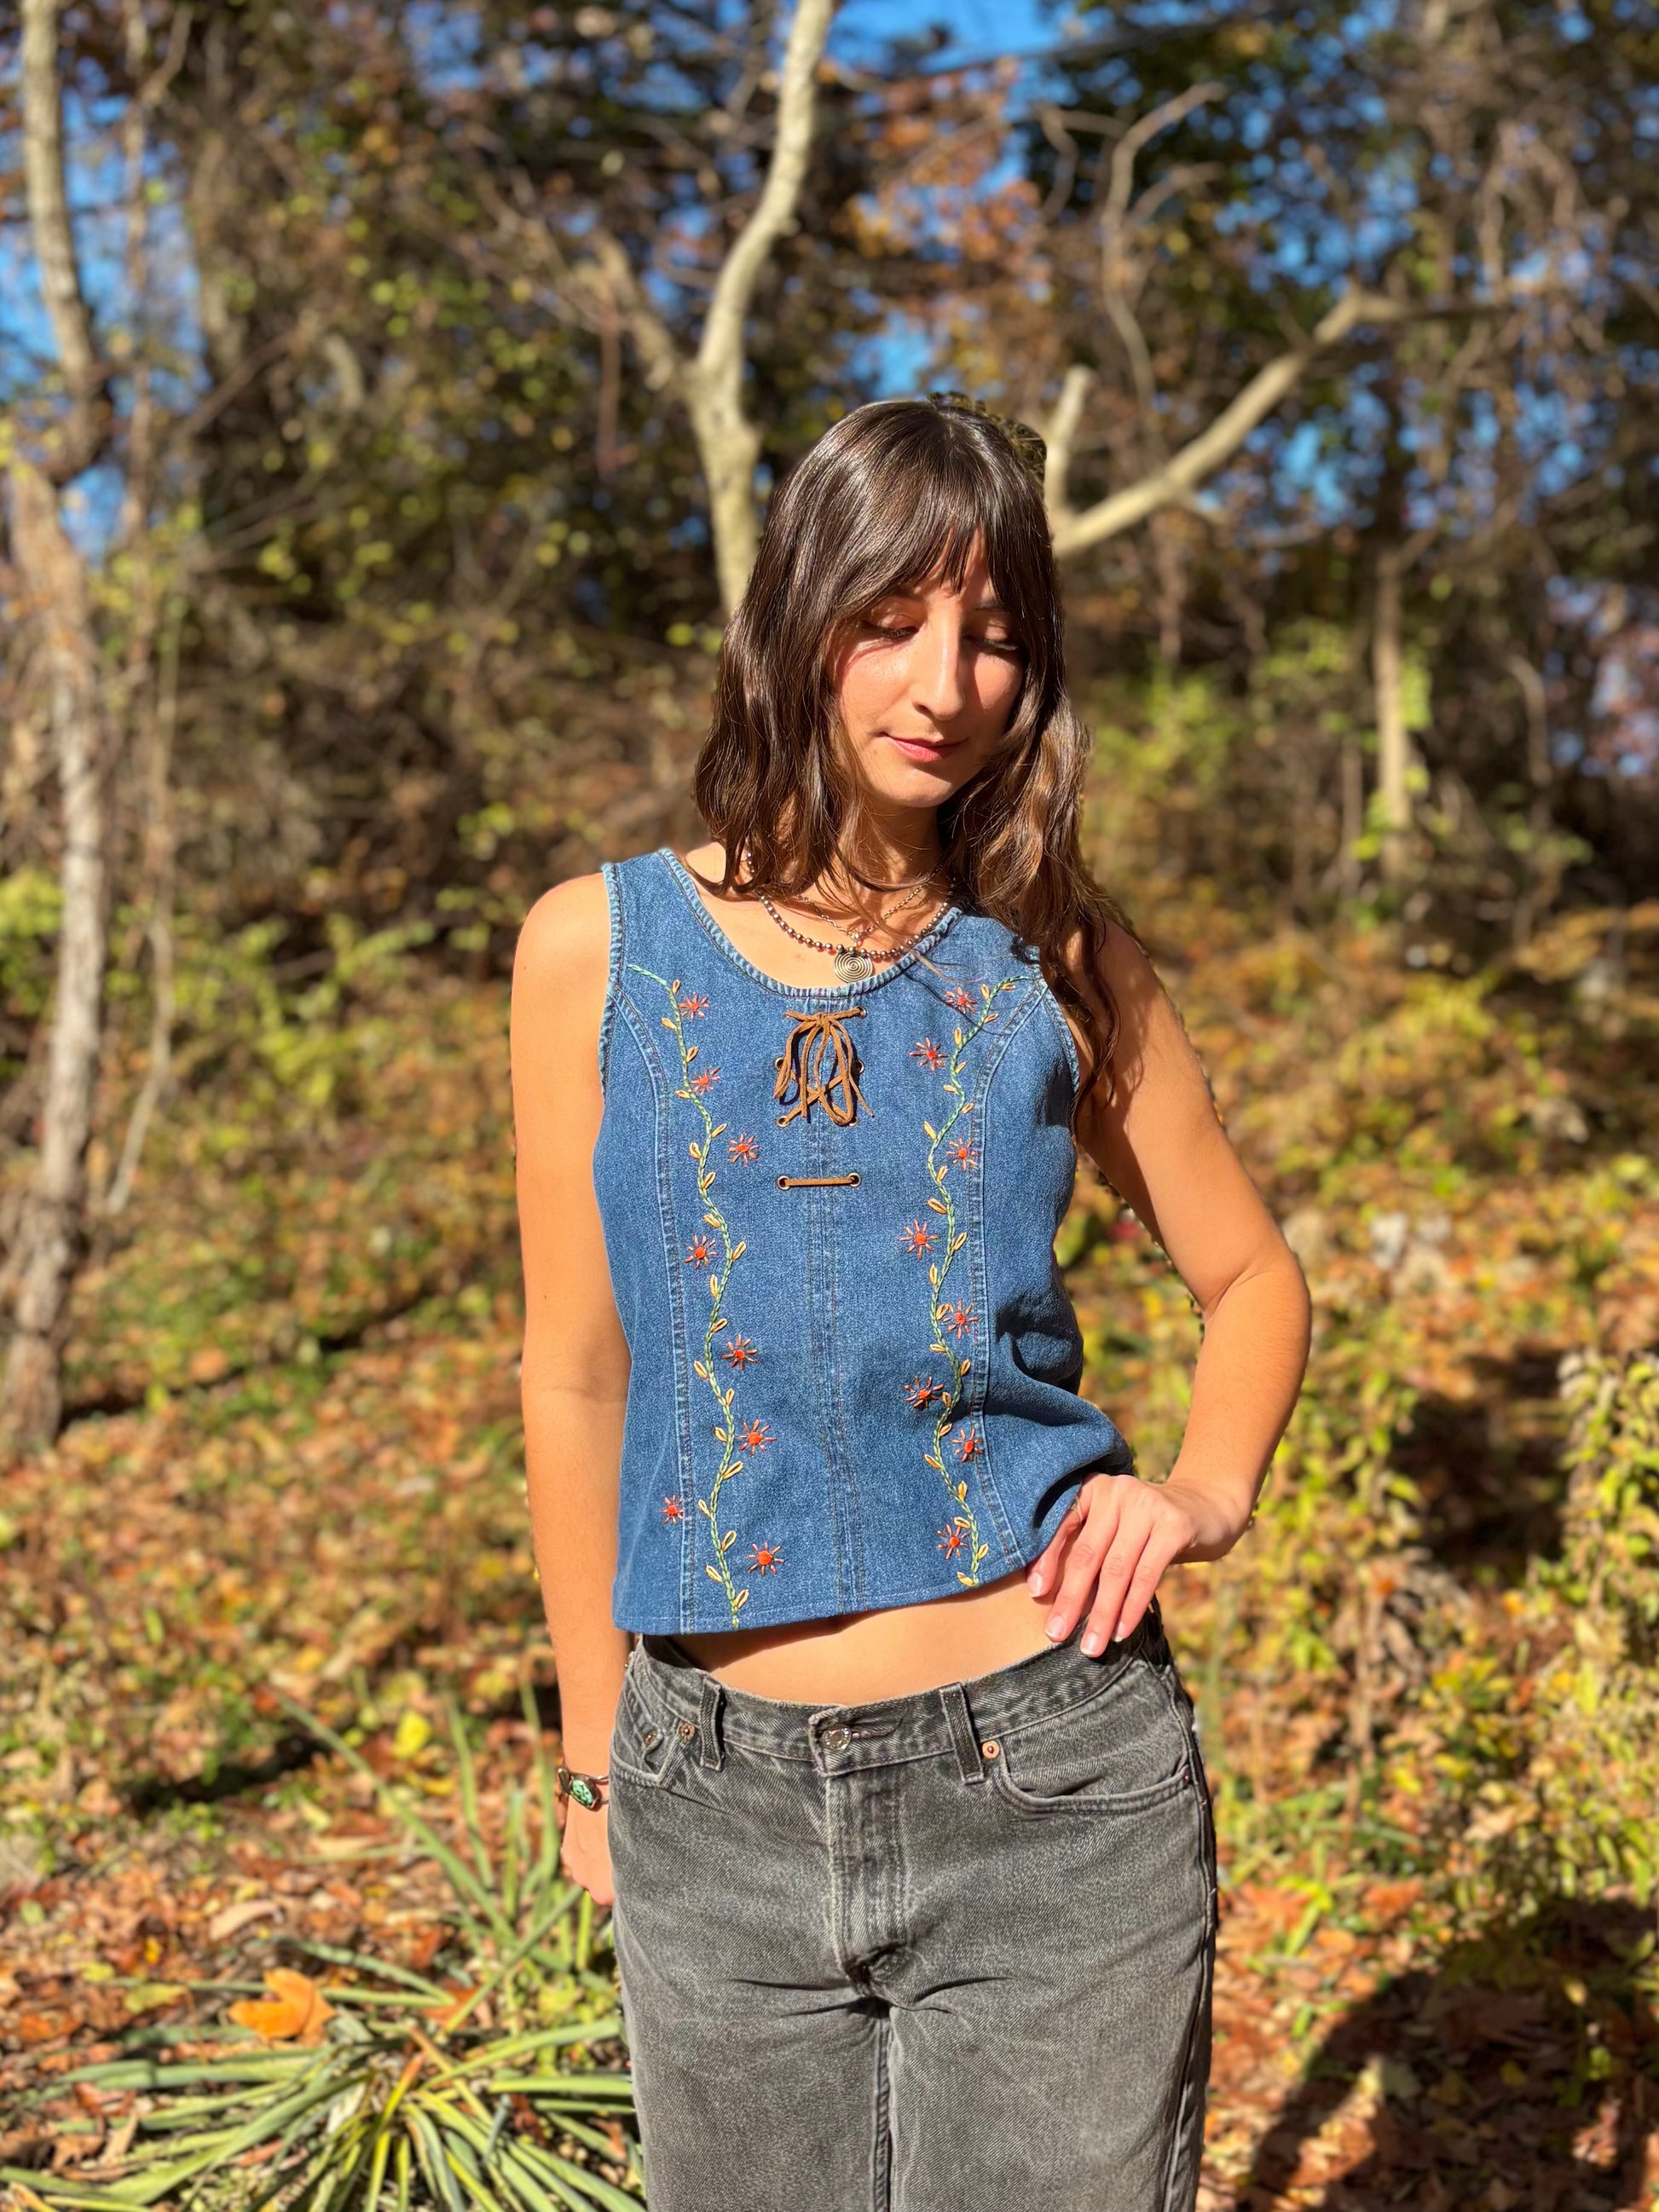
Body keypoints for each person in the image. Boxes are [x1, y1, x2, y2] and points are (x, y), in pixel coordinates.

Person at [510, 394, 1311, 2212]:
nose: (944, 681)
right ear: (796, 620)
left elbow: (1252, 1274)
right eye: (890, 619)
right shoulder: (592, 950)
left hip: (1052, 1792)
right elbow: (576, 1376)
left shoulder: (1055, 955)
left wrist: (1201, 1490)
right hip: (708, 1797)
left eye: (994, 634)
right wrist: (590, 1764)